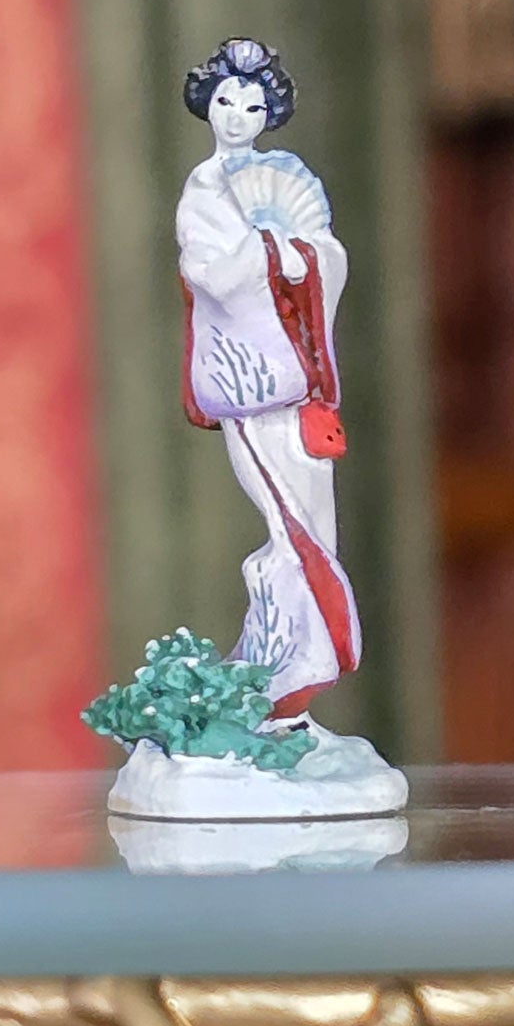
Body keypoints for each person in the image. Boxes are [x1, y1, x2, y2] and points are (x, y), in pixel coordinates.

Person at [176, 39, 361, 719]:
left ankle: (295, 665)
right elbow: (209, 273)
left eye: (251, 106)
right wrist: (263, 251)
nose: (236, 117)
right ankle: (287, 659)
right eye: (225, 101)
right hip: (249, 380)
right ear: (208, 105)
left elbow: (324, 255)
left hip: (294, 383)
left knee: (309, 520)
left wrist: (301, 254)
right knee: (287, 522)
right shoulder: (202, 193)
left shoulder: (283, 177)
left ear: (267, 114)